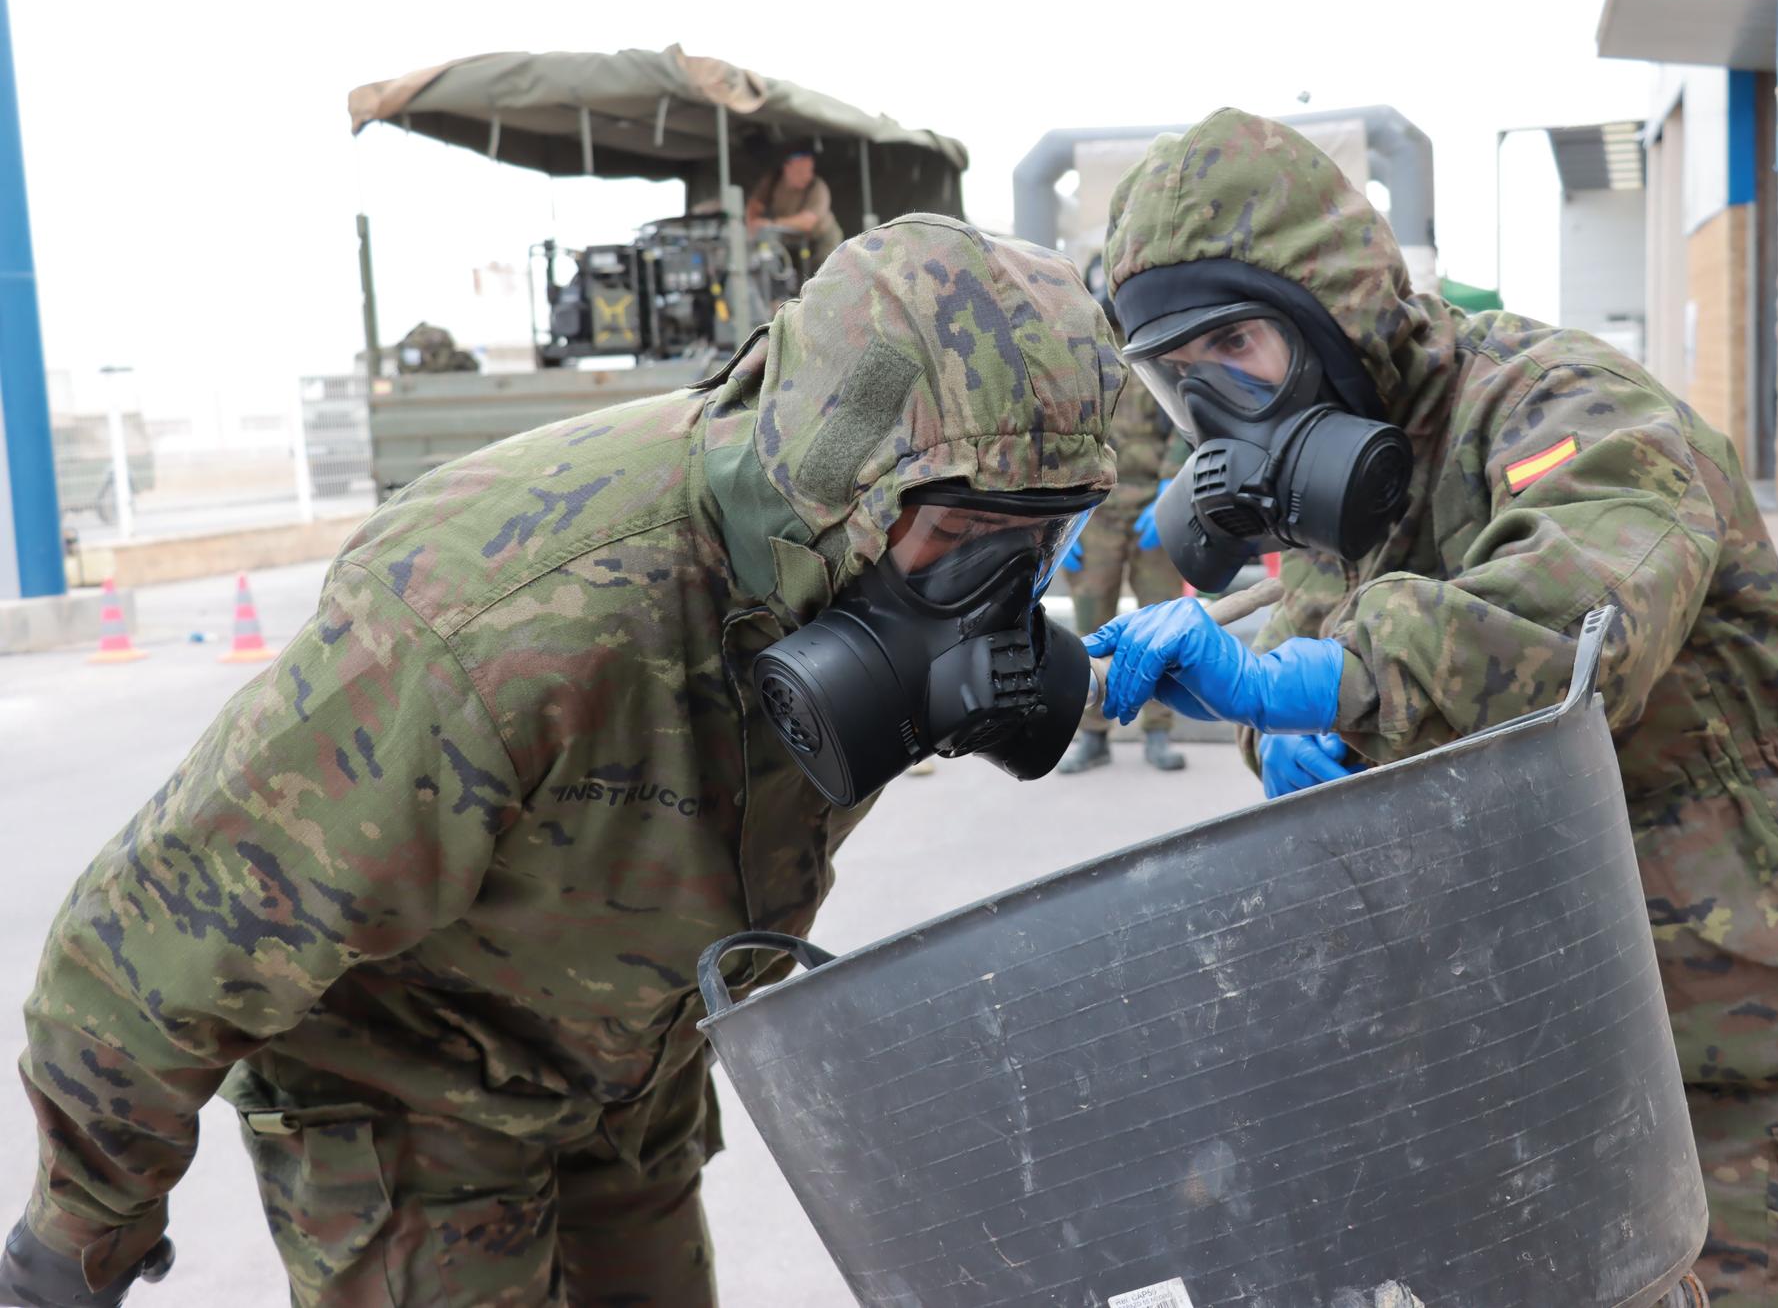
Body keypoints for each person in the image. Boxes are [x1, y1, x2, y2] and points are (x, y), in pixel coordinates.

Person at [2, 216, 1121, 1308]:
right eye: (964, 540)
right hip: (414, 1118)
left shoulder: (830, 574)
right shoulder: (496, 633)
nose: (1000, 602)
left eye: (1044, 541)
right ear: (825, 484)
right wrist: (82, 1237)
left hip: (626, 1096)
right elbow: (140, 955)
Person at [1085, 109, 1778, 1307]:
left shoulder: (1565, 408)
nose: (1218, 403)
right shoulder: (1345, 484)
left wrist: (1331, 686)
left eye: (1237, 342)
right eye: (1180, 381)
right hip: (1544, 1018)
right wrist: (1281, 725)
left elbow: (1569, 621)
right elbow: (1303, 659)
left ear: (1330, 309)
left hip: (1745, 1013)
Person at [1058, 278, 1191, 775]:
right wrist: (1060, 517)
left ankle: (1159, 730)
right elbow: (1059, 431)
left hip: (1153, 506)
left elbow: (1186, 420)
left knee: (1163, 624)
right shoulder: (1076, 354)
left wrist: (1170, 487)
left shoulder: (1156, 343)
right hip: (1095, 509)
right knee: (1091, 626)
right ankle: (1092, 735)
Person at [744, 147, 844, 274]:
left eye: (809, 170)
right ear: (787, 168)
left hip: (821, 239)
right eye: (801, 171)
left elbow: (807, 222)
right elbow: (755, 205)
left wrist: (771, 224)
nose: (807, 176)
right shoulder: (773, 181)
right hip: (790, 240)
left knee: (825, 272)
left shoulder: (817, 187)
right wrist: (752, 226)